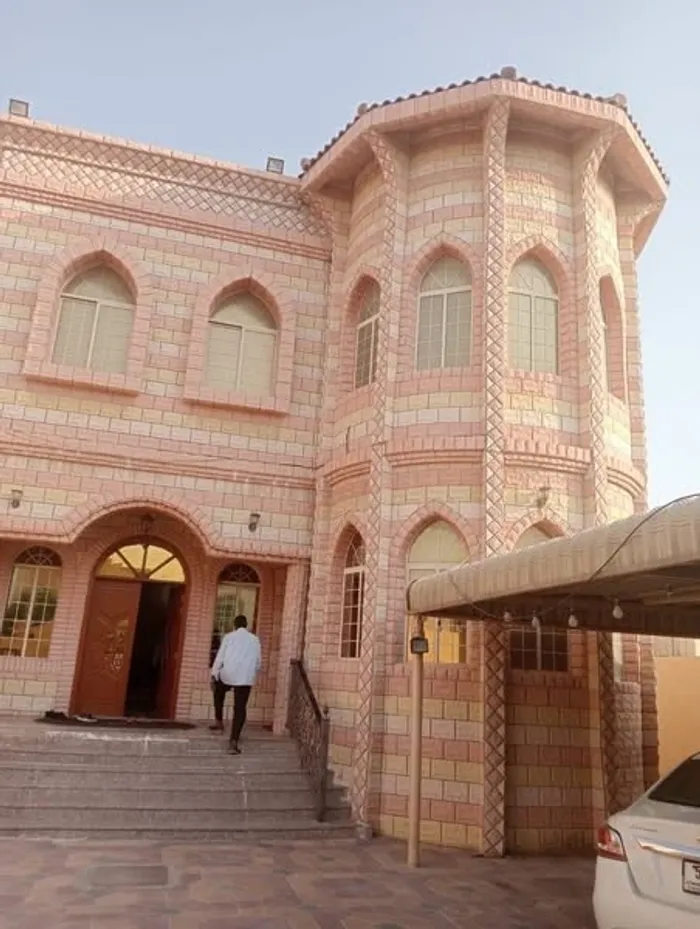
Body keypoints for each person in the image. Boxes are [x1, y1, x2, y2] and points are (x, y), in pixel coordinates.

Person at [209, 615, 261, 754]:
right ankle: (233, 742)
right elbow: (258, 662)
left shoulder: (228, 637)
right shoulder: (255, 640)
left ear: (235, 625)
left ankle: (219, 722)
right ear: (246, 625)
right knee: (240, 708)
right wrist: (250, 671)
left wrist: (214, 674)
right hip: (245, 678)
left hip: (228, 674)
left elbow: (220, 657)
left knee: (218, 691)